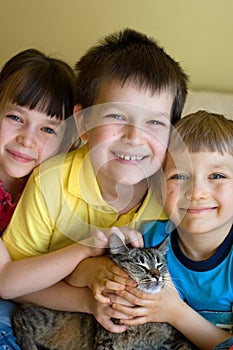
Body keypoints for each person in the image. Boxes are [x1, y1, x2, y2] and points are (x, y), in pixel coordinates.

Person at [2, 27, 188, 337]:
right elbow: (12, 283)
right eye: (116, 116)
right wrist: (87, 292)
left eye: (155, 122)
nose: (134, 137)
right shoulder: (51, 182)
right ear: (84, 123)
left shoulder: (173, 190)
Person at [110, 111, 233, 349]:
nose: (196, 192)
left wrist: (176, 312)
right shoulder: (146, 240)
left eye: (216, 175)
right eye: (180, 176)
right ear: (158, 189)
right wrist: (95, 270)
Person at [0, 48, 93, 350]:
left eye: (48, 129)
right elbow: (6, 283)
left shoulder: (58, 186)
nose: (27, 139)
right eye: (16, 117)